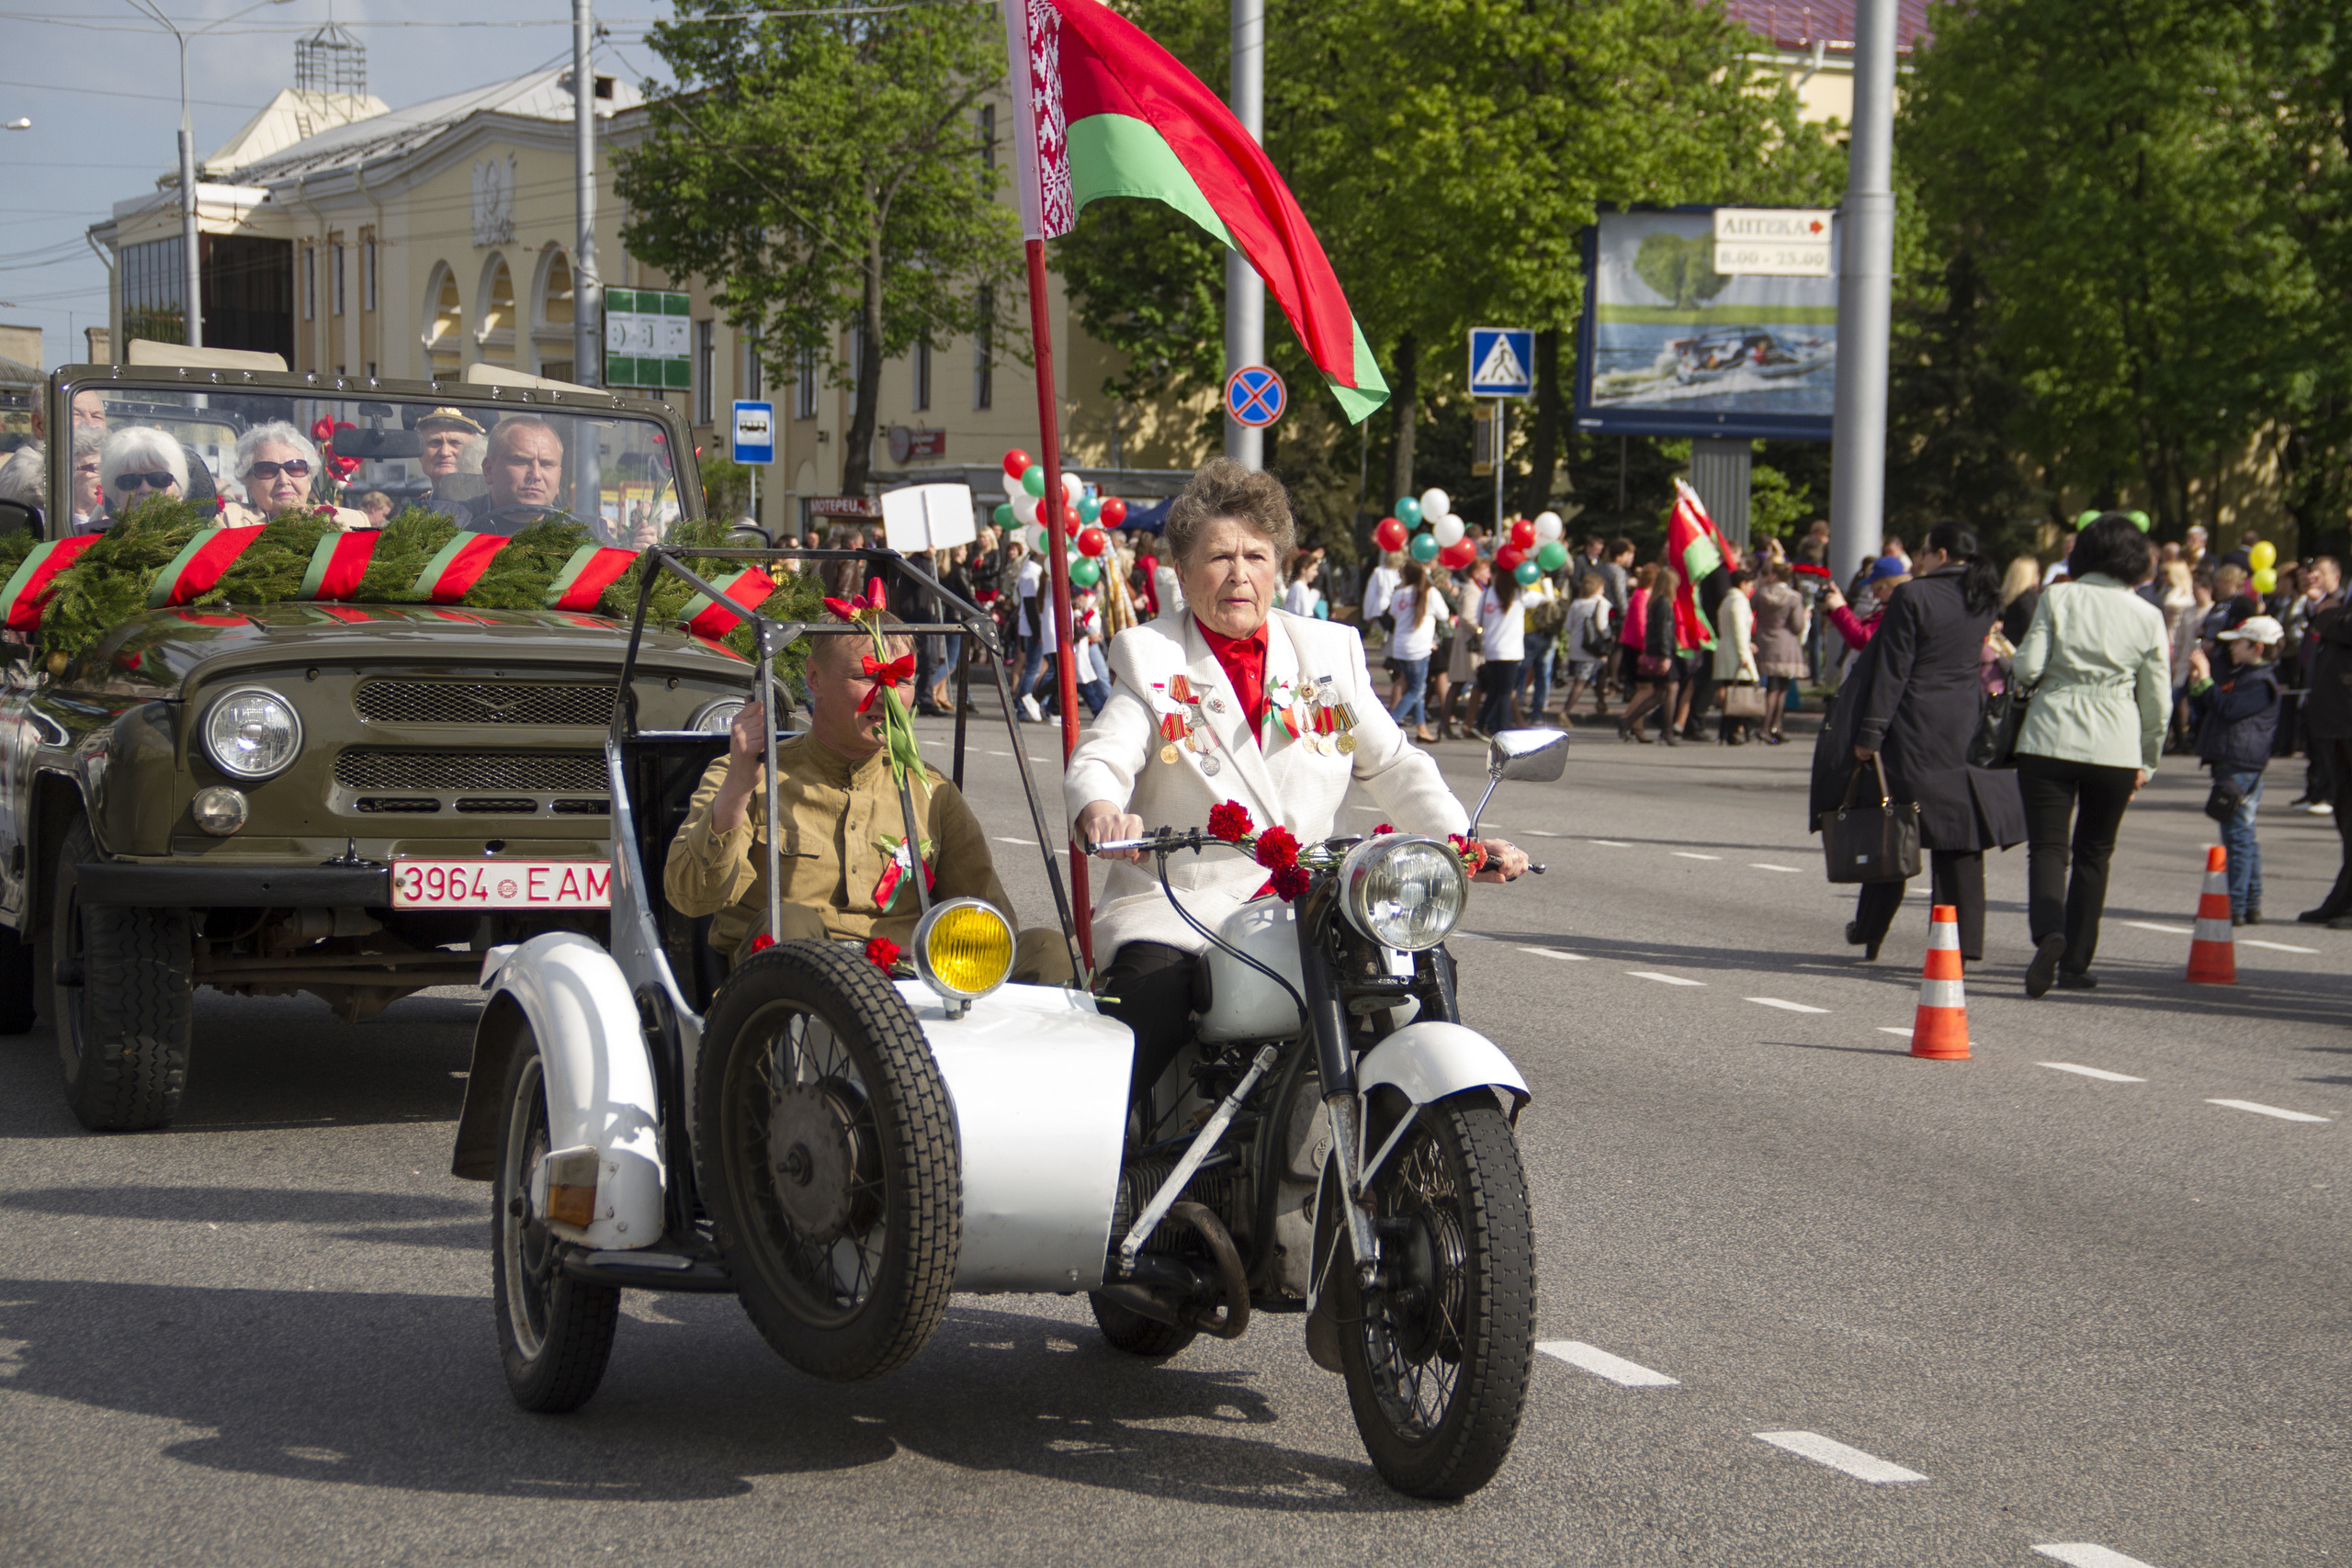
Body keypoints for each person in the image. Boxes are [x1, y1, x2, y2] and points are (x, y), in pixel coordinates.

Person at [1068, 457, 1527, 1103]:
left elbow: (1394, 763)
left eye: (1256, 555)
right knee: (1142, 1015)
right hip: (1182, 907)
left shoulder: (1326, 653)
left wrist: (1462, 840)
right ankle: (1111, 1184)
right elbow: (1103, 755)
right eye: (1219, 555)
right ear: (1180, 567)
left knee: (1418, 974)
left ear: (1278, 567)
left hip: (1308, 904)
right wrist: (1101, 808)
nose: (1239, 573)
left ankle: (1417, 1142)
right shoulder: (1153, 655)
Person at [664, 623, 1071, 981]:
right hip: (789, 991)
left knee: (1049, 954)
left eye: (902, 681)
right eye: (868, 677)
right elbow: (691, 896)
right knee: (792, 921)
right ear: (815, 678)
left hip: (915, 978)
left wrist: (943, 951)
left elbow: (988, 919)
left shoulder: (930, 791)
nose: (887, 699)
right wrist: (738, 787)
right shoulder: (747, 774)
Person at [1815, 524, 2026, 963]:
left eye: (1924, 551)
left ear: (1941, 554)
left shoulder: (1914, 596)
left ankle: (1871, 929)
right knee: (1957, 836)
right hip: (1965, 722)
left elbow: (1893, 670)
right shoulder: (1983, 596)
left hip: (1914, 725)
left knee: (1890, 824)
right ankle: (1958, 943)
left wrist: (1869, 734)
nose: (1920, 558)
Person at [2009, 513, 2169, 996]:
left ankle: (2048, 933)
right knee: (2095, 853)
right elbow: (2158, 699)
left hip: (2049, 735)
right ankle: (2077, 961)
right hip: (2117, 742)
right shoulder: (2147, 614)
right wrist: (2148, 759)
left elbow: (2028, 667)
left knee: (2048, 847)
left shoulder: (2059, 596)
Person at [2188, 615, 2283, 926]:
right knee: (2244, 834)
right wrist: (2200, 684)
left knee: (2237, 836)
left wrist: (2205, 679)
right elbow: (2211, 704)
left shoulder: (2259, 681)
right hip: (2237, 760)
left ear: (2256, 647)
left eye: (2238, 643)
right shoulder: (2247, 676)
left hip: (2240, 763)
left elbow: (2229, 709)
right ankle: (2250, 903)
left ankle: (2235, 906)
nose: (2232, 648)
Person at [223, 422, 367, 528]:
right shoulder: (228, 521)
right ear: (249, 484)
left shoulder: (354, 523)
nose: (283, 480)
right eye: (267, 469)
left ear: (309, 479)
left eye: (295, 468)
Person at [458, 417, 570, 536]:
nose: (536, 475)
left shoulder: (587, 535)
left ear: (559, 476)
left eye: (546, 464)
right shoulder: (450, 526)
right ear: (488, 470)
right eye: (521, 461)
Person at [1619, 562, 1680, 745]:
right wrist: (1666, 654)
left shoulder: (1656, 600)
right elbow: (1663, 631)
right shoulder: (1663, 602)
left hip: (1657, 650)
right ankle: (1666, 730)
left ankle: (1627, 721)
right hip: (1662, 651)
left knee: (1660, 693)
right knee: (1670, 689)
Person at [1385, 560, 1445, 742]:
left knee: (1417, 688)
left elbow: (1393, 613)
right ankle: (1389, 725)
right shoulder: (1430, 593)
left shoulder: (1399, 594)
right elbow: (1444, 614)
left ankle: (1422, 729)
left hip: (1401, 647)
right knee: (1416, 690)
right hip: (1419, 648)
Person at [1751, 559, 1807, 744]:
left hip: (1765, 641)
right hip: (1785, 644)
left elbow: (1749, 609)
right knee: (1781, 687)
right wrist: (1805, 617)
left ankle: (1765, 726)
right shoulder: (1793, 597)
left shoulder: (1760, 593)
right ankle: (1774, 725)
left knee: (1771, 686)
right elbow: (1798, 626)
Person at [96, 427, 189, 521]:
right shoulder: (90, 534)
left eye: (158, 479)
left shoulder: (199, 535)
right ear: (116, 497)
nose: (145, 489)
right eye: (130, 481)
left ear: (178, 494)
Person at [1558, 572, 1612, 725]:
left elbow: (1567, 626)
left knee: (1601, 668)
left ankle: (1601, 703)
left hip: (1576, 646)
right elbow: (1602, 626)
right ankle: (1565, 711)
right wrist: (1609, 637)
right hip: (1592, 647)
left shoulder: (1577, 603)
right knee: (1580, 681)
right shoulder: (1601, 603)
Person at [1713, 566, 1759, 744]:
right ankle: (1734, 732)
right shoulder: (1740, 601)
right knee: (1741, 696)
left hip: (1726, 650)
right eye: (1750, 584)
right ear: (1743, 583)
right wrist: (1744, 653)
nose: (1751, 588)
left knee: (1731, 696)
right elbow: (1740, 629)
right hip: (1736, 653)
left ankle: (1726, 732)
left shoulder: (1727, 599)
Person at [1476, 569, 1525, 736]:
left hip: (1491, 648)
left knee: (1495, 690)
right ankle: (1502, 726)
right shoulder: (1518, 594)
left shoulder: (1487, 593)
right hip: (1510, 651)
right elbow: (1545, 598)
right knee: (1505, 690)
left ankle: (1480, 723)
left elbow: (1478, 618)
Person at [414, 407, 486, 517]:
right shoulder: (415, 509)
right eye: (435, 442)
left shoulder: (491, 507)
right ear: (420, 454)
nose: (445, 452)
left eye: (455, 442)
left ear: (476, 450)